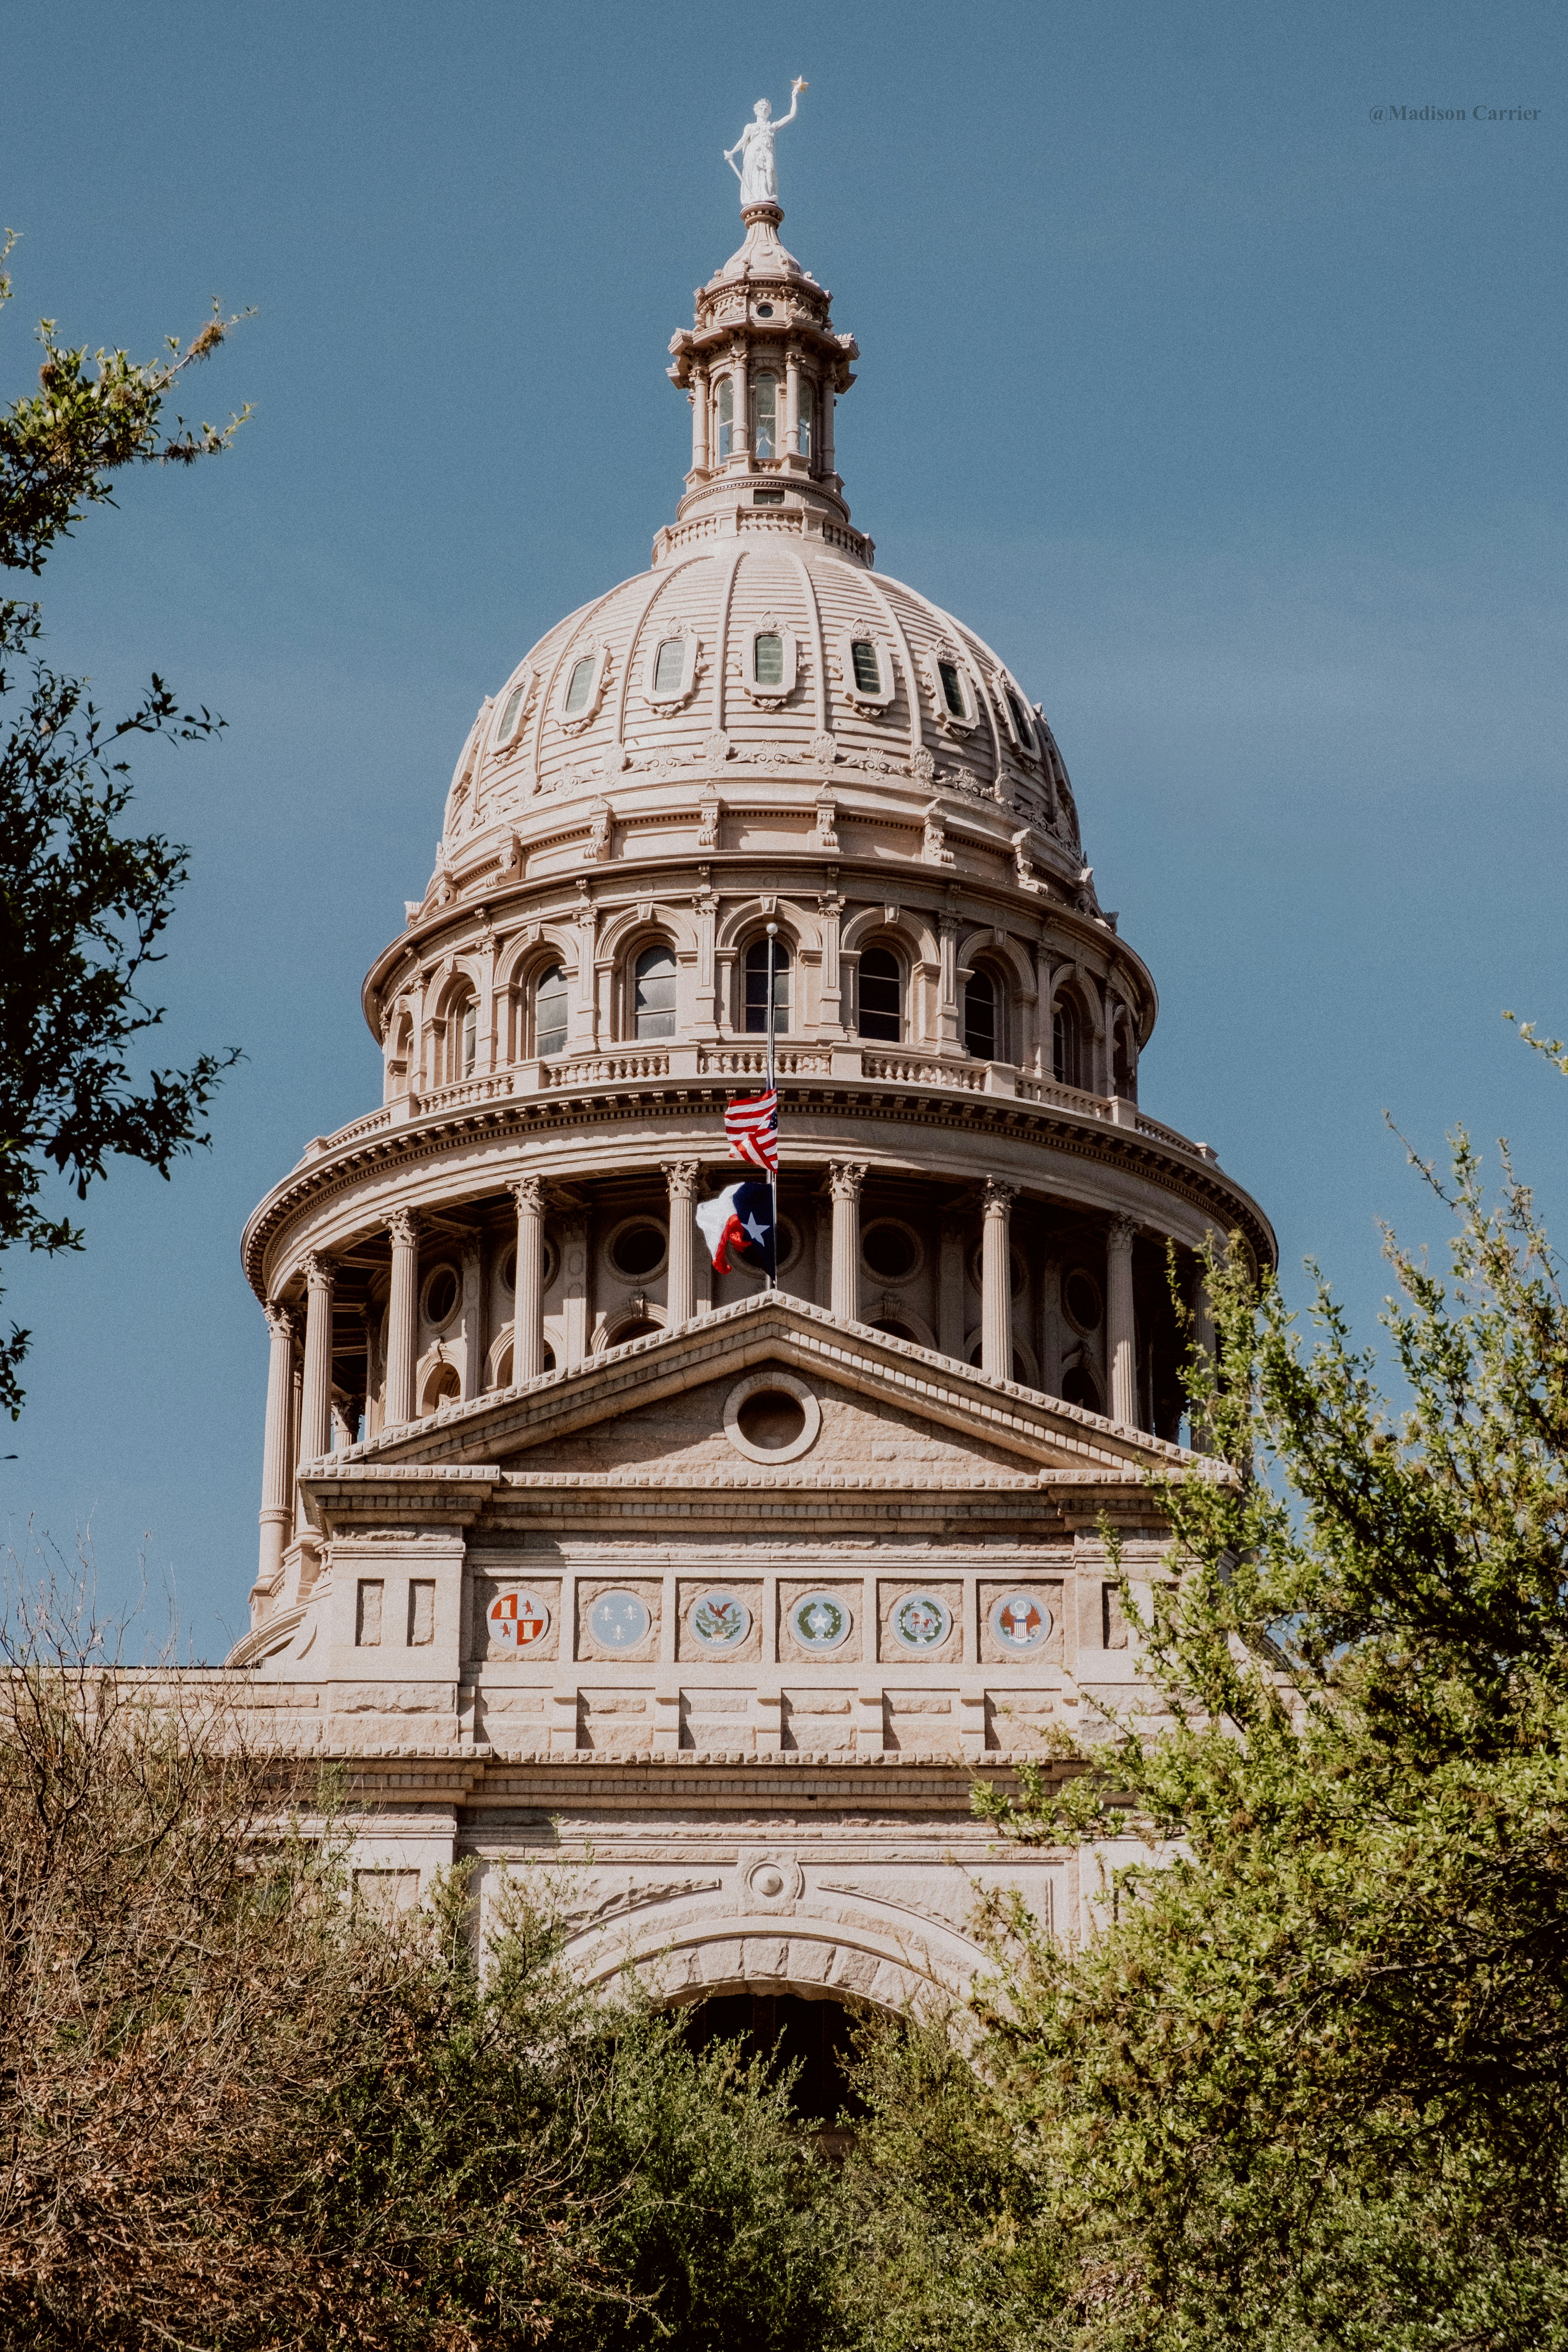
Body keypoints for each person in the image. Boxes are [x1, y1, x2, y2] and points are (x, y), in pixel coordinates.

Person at [724, 81, 807, 207]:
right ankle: (759, 196)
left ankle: (767, 195)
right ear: (756, 111)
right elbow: (742, 141)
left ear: (769, 112)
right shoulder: (751, 127)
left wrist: (794, 97)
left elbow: (791, 116)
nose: (764, 110)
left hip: (767, 152)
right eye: (761, 108)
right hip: (754, 152)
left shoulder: (772, 127)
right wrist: (732, 152)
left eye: (766, 109)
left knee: (769, 169)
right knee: (758, 173)